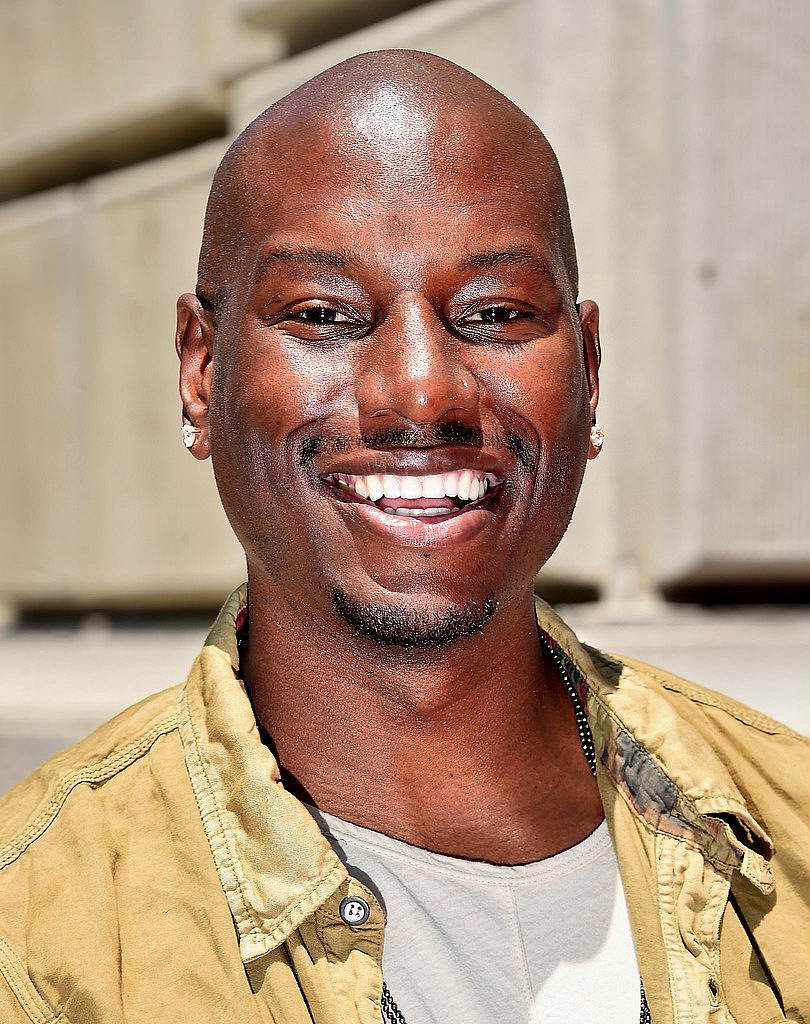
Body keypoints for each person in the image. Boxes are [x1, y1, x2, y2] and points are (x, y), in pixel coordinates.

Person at [0, 50, 807, 1024]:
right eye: (326, 315)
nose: (422, 391)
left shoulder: (790, 834)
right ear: (201, 370)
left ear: (590, 372)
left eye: (497, 313)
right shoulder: (38, 944)